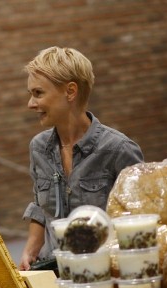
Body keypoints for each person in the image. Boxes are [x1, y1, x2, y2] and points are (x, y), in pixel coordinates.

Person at [18, 46, 144, 270]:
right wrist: (30, 250)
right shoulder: (38, 147)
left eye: (38, 93)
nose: (30, 103)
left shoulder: (119, 150)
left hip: (104, 276)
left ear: (70, 92)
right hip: (55, 273)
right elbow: (40, 206)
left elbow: (139, 223)